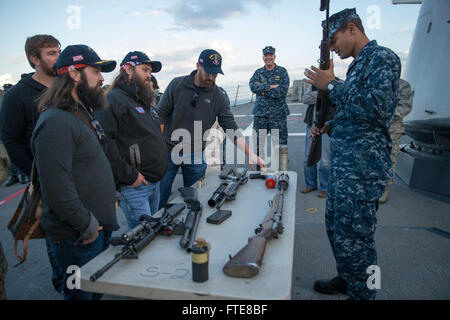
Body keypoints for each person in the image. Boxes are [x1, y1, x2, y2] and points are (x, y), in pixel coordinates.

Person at [304, 8, 401, 300]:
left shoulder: (382, 58)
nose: (333, 47)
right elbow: (356, 113)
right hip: (345, 167)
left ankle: (365, 293)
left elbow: (377, 107)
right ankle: (348, 277)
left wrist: (331, 85)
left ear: (351, 28)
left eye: (334, 40)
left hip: (364, 170)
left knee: (358, 239)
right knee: (336, 229)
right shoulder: (358, 65)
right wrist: (330, 126)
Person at [32, 44, 119, 300]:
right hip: (78, 238)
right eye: (96, 71)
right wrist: (87, 226)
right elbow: (56, 188)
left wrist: (111, 195)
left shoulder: (82, 113)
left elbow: (94, 163)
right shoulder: (56, 122)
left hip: (97, 229)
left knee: (95, 293)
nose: (102, 78)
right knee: (80, 296)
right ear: (74, 73)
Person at [156, 49, 265, 209]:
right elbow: (161, 115)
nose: (211, 77)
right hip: (167, 152)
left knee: (195, 199)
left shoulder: (218, 96)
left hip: (196, 155)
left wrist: (250, 154)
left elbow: (231, 127)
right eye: (209, 72)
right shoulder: (176, 85)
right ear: (198, 65)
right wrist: (157, 146)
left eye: (215, 74)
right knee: (160, 197)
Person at [0, 34, 64, 293]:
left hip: (77, 174)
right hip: (46, 181)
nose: (58, 57)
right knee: (57, 235)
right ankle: (64, 284)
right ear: (34, 59)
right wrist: (35, 175)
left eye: (59, 51)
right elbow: (11, 140)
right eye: (51, 53)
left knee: (84, 232)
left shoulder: (66, 85)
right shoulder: (18, 95)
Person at [97, 51, 167, 228]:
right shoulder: (113, 100)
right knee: (142, 234)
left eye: (150, 71)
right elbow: (105, 143)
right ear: (128, 69)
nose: (148, 75)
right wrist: (129, 175)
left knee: (152, 231)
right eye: (145, 69)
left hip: (153, 182)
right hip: (135, 185)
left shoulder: (140, 99)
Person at [249, 46, 290, 169]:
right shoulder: (258, 72)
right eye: (266, 55)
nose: (268, 57)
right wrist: (271, 86)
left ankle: (282, 171)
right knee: (258, 145)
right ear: (263, 58)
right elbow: (252, 87)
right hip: (261, 114)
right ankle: (259, 171)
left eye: (270, 55)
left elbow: (282, 91)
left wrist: (262, 89)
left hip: (278, 115)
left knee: (279, 144)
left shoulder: (282, 71)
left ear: (274, 57)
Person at [379, 79, 413, 204]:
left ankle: (384, 189)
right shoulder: (377, 82)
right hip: (374, 127)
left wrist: (386, 115)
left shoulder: (403, 85)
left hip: (393, 128)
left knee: (389, 157)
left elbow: (406, 107)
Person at [301, 83, 331, 198]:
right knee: (307, 158)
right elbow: (305, 98)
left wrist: (320, 97)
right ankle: (310, 184)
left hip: (327, 125)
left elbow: (335, 98)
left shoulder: (336, 82)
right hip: (311, 124)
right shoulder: (314, 84)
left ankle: (325, 187)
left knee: (325, 161)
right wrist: (322, 96)